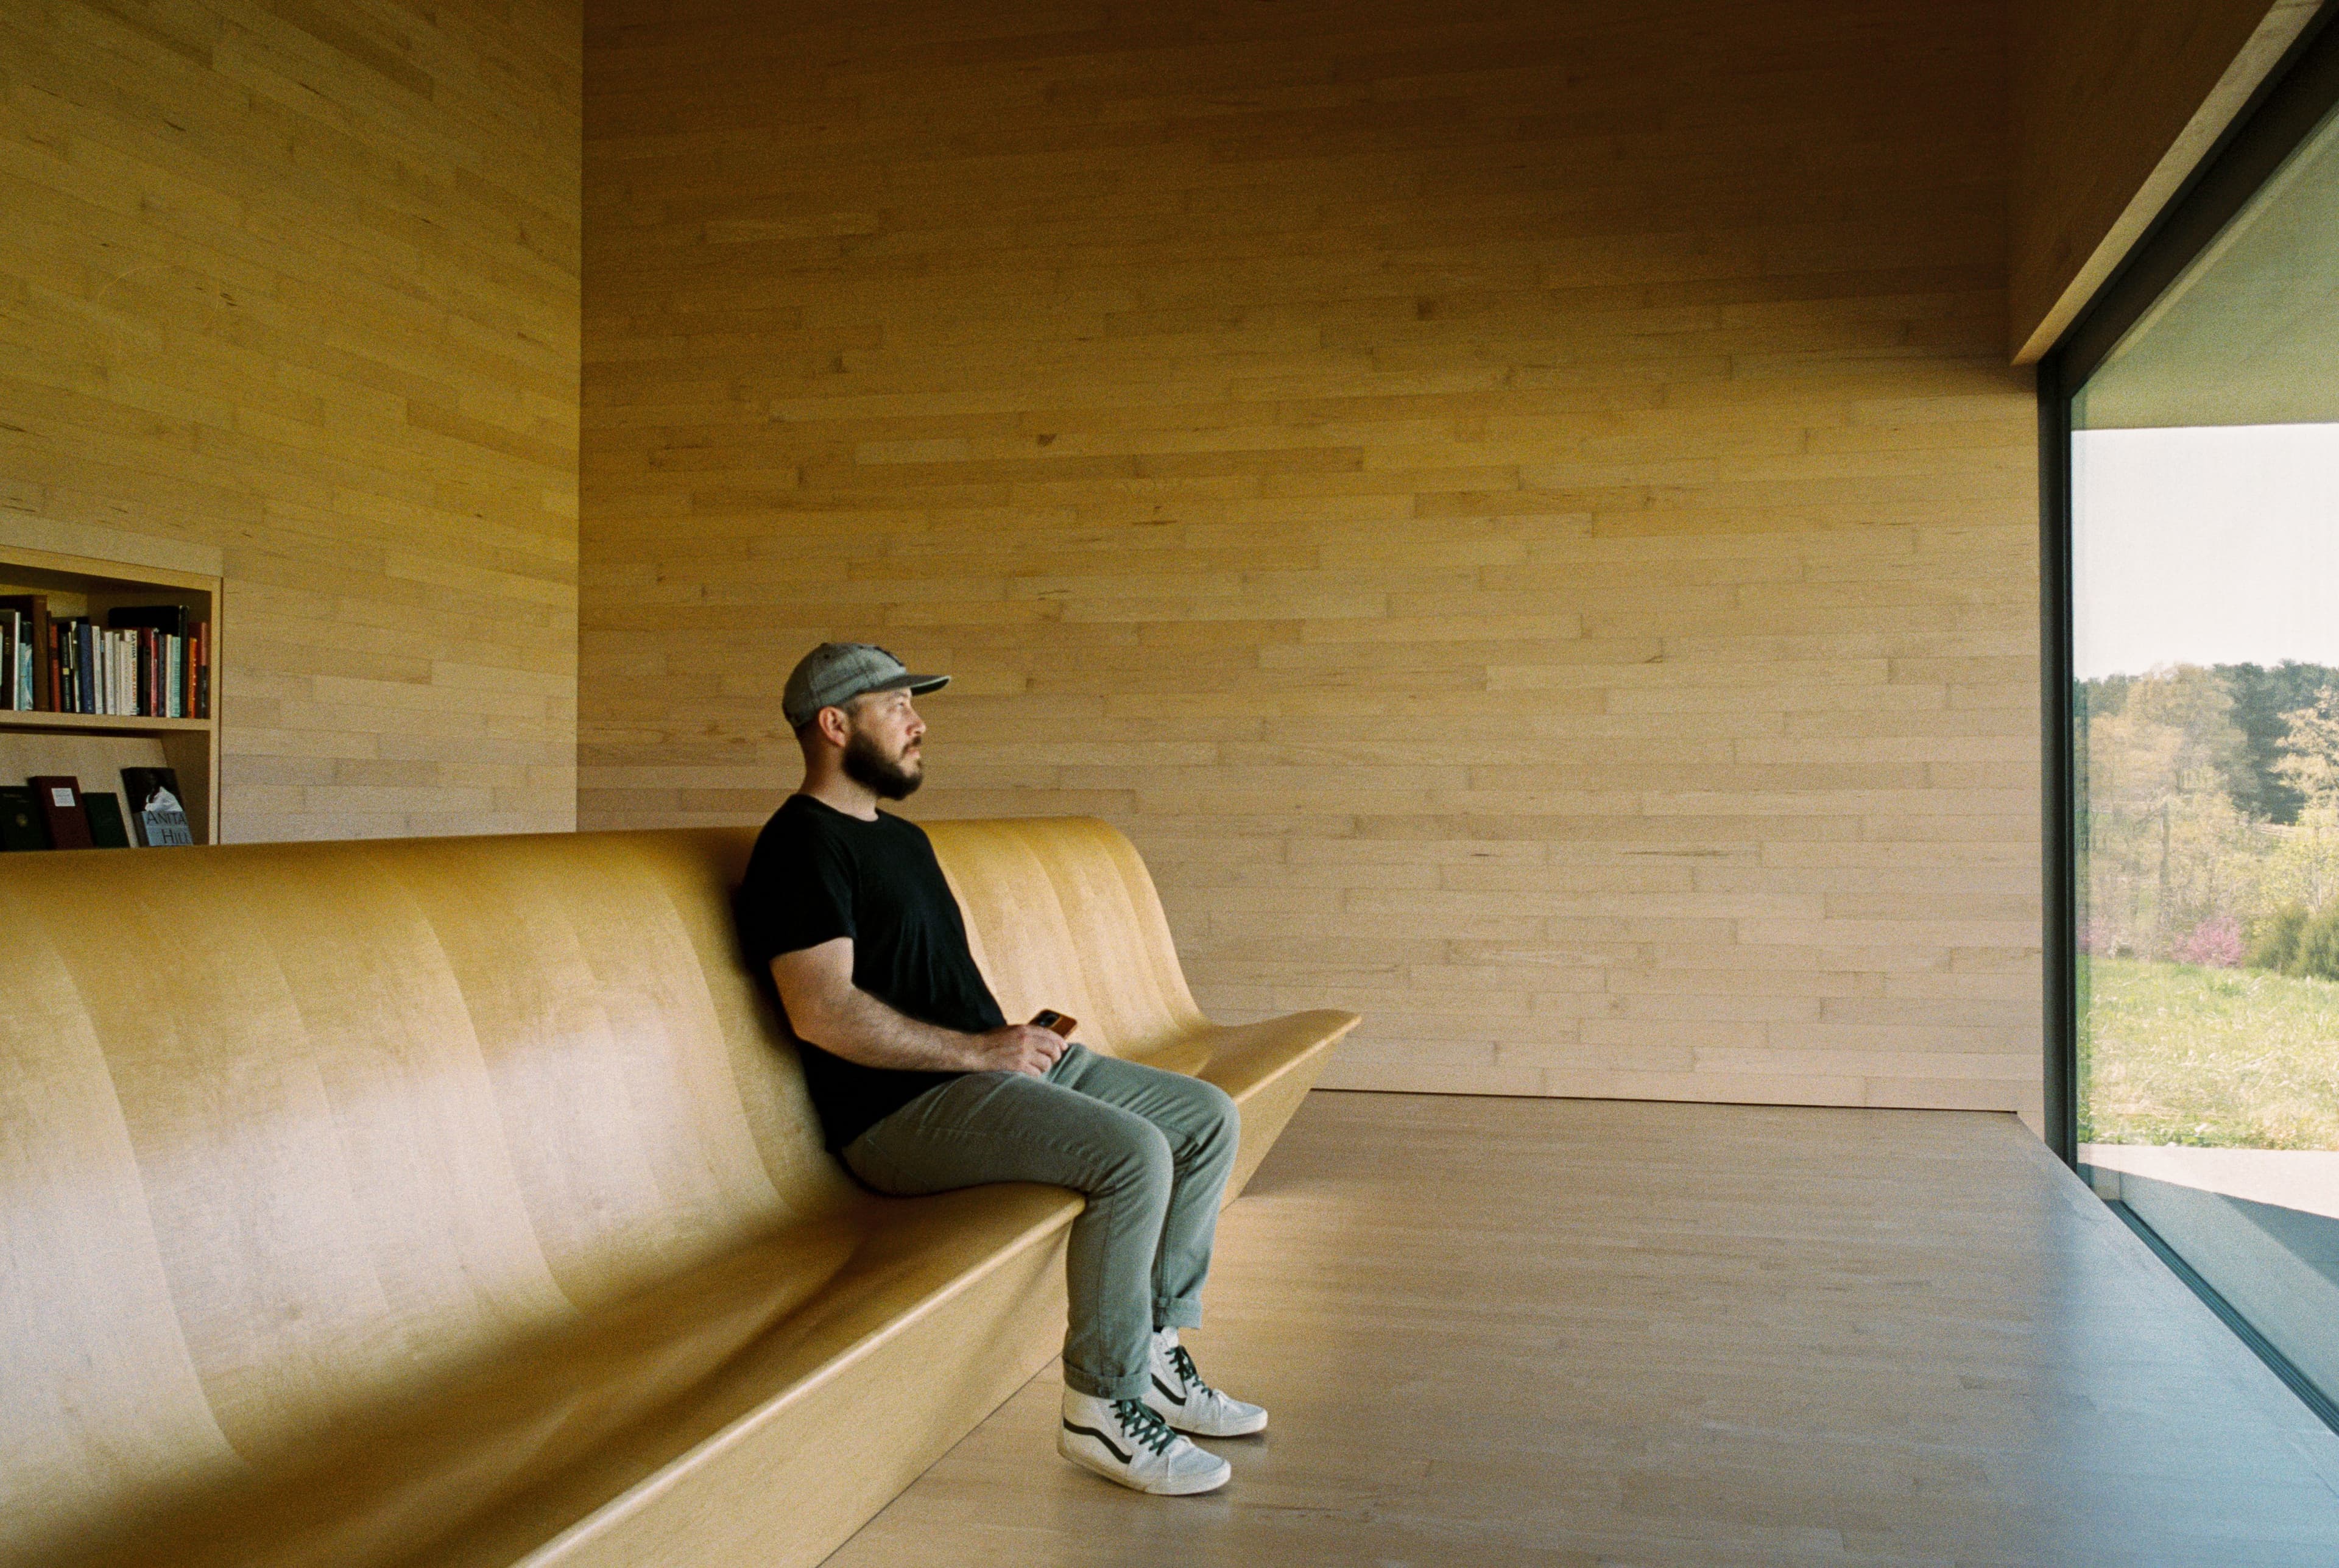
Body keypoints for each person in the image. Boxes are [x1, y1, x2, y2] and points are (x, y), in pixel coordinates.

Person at [733, 641, 1267, 1497]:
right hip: (902, 1113)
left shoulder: (901, 841)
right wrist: (982, 1052)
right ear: (834, 724)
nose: (920, 722)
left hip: (987, 1070)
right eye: (897, 706)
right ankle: (1102, 1404)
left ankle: (1156, 1349)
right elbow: (821, 1009)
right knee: (1134, 1156)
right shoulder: (798, 847)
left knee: (1205, 1118)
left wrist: (1008, 1039)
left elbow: (929, 987)